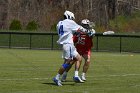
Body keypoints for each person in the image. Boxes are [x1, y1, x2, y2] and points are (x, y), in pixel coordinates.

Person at [53, 11, 93, 86]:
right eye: (72, 18)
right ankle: (57, 77)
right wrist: (89, 32)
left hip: (66, 44)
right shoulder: (69, 22)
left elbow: (70, 31)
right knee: (67, 62)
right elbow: (81, 29)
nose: (72, 19)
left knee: (78, 58)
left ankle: (76, 75)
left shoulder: (59, 23)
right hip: (68, 44)